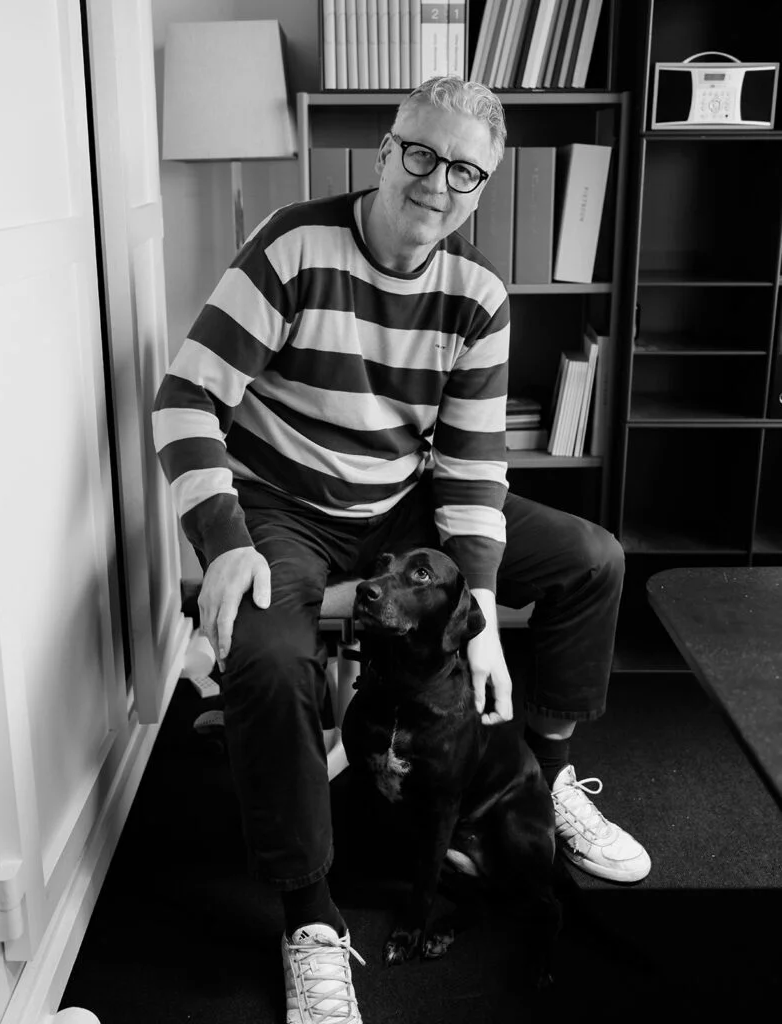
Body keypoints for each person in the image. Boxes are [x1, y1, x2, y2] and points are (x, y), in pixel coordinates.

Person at [153, 76, 650, 1024]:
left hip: (402, 503)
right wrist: (221, 541)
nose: (436, 181)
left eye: (464, 170)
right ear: (384, 152)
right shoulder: (293, 246)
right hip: (283, 504)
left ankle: (543, 780)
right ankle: (309, 917)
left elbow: (468, 465)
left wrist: (484, 615)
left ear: (481, 185)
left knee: (592, 558)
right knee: (268, 656)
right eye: (419, 153)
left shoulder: (478, 292)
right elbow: (185, 397)